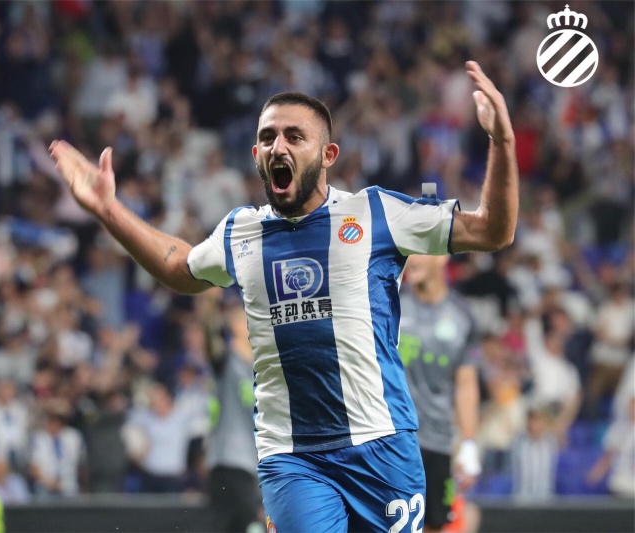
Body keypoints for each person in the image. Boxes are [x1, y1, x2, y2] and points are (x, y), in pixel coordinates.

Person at [49, 60, 518, 531]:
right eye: (269, 137)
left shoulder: (376, 213)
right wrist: (108, 209)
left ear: (328, 154)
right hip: (293, 456)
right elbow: (179, 268)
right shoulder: (241, 232)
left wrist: (501, 141)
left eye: (295, 136)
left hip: (382, 444)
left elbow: (492, 230)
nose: (279, 146)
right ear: (256, 153)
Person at [400, 254, 482, 532]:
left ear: (442, 256)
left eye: (420, 250)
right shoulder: (390, 303)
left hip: (438, 441)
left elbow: (466, 384)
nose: (411, 258)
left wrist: (468, 444)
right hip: (393, 439)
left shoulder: (462, 315)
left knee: (435, 525)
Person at [199, 289, 261, 532]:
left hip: (250, 465)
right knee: (250, 525)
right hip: (228, 461)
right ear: (236, 326)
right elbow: (210, 340)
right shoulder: (227, 360)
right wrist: (210, 302)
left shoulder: (257, 367)